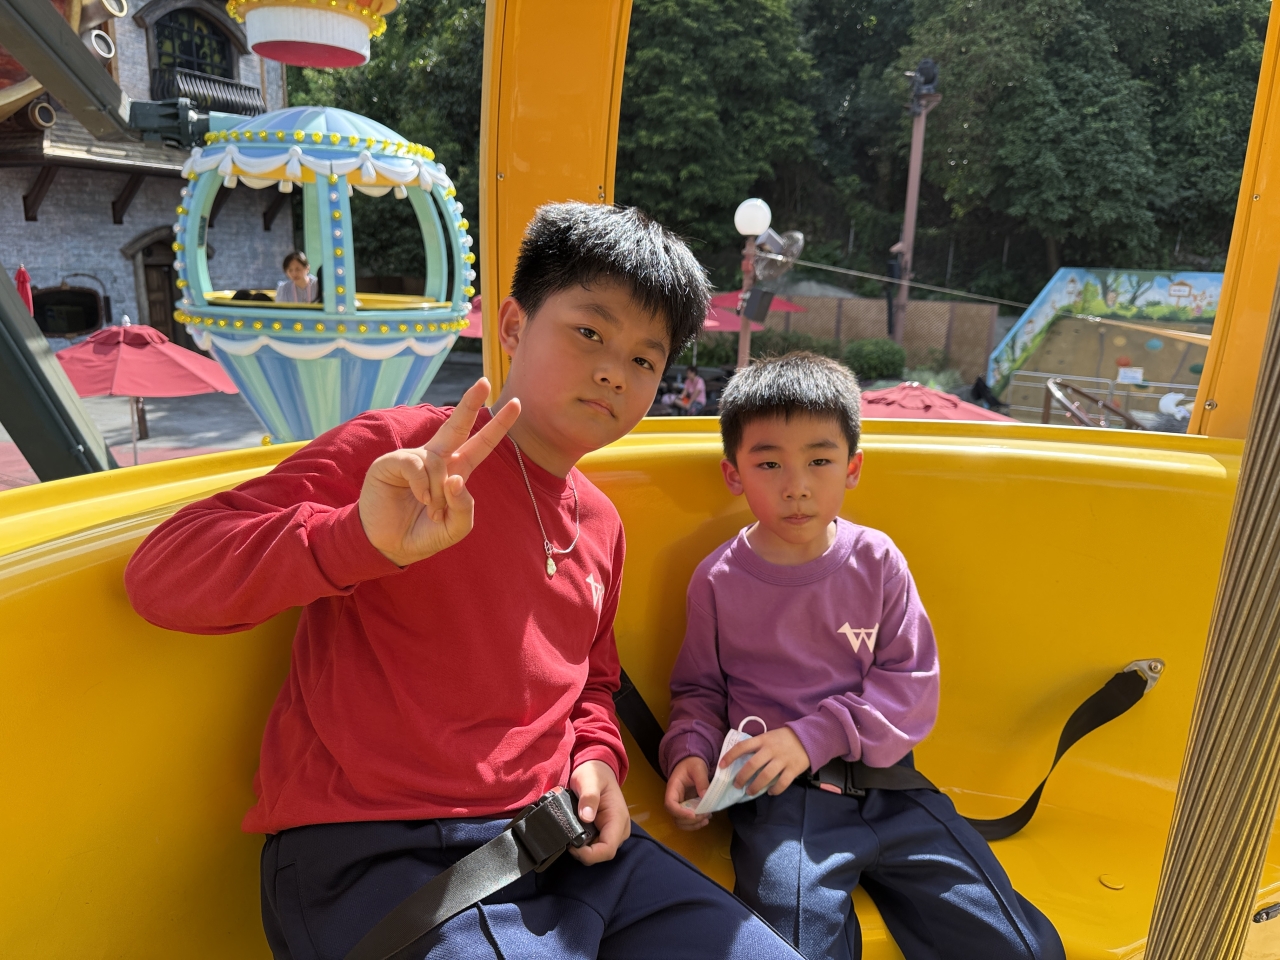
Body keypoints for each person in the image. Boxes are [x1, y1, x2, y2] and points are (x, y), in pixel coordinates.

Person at [125, 203, 805, 960]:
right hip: (381, 854)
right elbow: (163, 573)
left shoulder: (601, 524)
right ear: (513, 325)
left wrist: (596, 760)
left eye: (646, 360)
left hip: (563, 844)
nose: (615, 371)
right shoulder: (402, 454)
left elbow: (592, 682)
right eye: (589, 332)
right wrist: (353, 540)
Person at [659, 352, 1065, 960]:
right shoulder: (716, 579)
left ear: (852, 468)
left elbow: (910, 683)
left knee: (1020, 946)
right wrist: (689, 752)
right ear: (733, 474)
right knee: (793, 948)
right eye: (768, 463)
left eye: (819, 460)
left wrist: (811, 736)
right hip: (782, 805)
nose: (796, 485)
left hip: (895, 790)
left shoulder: (878, 561)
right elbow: (698, 692)